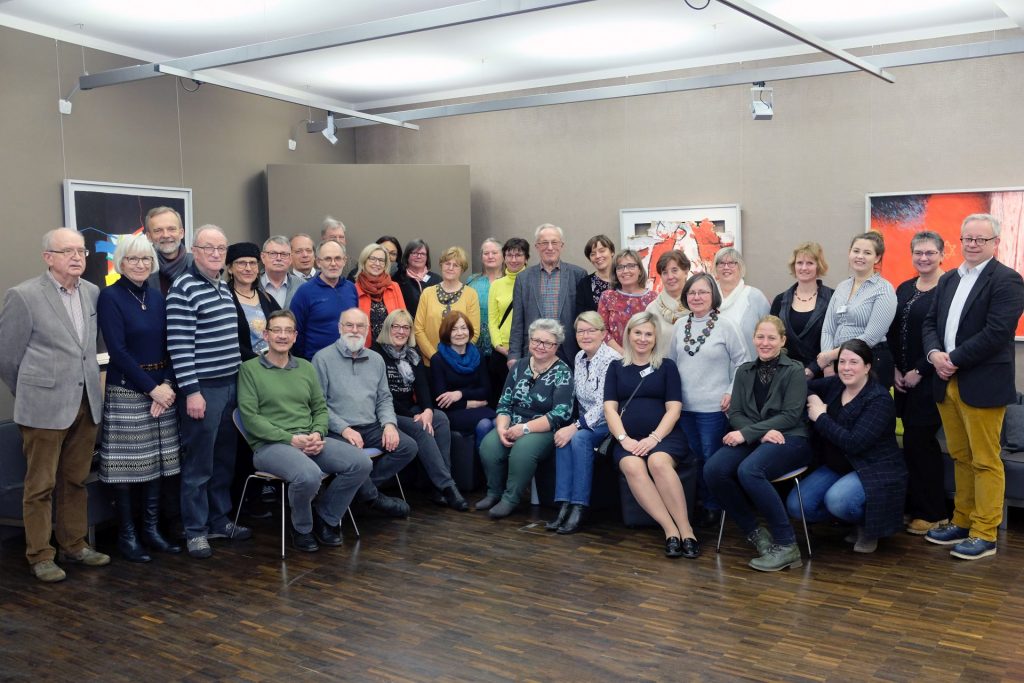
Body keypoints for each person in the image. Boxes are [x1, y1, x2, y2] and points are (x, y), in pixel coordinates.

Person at [0, 228, 110, 582]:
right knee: (41, 485)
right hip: (43, 407)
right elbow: (7, 357)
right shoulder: (24, 295)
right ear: (48, 257)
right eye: (67, 252)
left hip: (85, 402)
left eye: (81, 251)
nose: (77, 257)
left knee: (74, 480)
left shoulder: (92, 292)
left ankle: (74, 545)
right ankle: (40, 554)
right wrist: (31, 393)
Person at [922, 213, 1024, 560]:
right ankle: (962, 521)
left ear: (996, 242)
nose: (973, 245)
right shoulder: (949, 278)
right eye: (968, 239)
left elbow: (997, 332)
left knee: (985, 461)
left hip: (981, 384)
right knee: (959, 457)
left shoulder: (1008, 280)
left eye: (981, 239)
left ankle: (985, 532)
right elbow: (929, 323)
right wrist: (935, 354)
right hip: (945, 382)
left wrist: (954, 359)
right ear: (960, 241)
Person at [237, 310, 373, 552]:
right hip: (270, 445)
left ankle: (326, 517)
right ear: (266, 335)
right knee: (309, 475)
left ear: (295, 336)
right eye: (276, 330)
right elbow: (250, 418)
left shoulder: (306, 368)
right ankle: (301, 527)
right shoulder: (250, 369)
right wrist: (291, 440)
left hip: (310, 439)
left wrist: (318, 434)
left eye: (288, 331)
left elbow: (320, 408)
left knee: (360, 463)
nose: (282, 336)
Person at [166, 224, 249, 559]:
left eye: (221, 248)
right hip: (203, 391)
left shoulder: (223, 287)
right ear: (194, 251)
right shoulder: (183, 288)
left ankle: (218, 519)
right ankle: (195, 531)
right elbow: (179, 346)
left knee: (223, 460)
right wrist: (192, 391)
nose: (216, 253)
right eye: (209, 247)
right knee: (199, 465)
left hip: (231, 386)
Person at [97, 234, 181, 563]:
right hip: (129, 391)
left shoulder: (159, 296)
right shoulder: (110, 297)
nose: (140, 264)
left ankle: (151, 531)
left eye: (146, 259)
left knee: (158, 466)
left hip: (162, 390)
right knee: (130, 470)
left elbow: (173, 342)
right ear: (121, 262)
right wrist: (151, 388)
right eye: (133, 259)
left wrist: (168, 386)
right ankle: (127, 535)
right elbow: (117, 351)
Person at [704, 315, 811, 571]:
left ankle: (787, 545)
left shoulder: (794, 370)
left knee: (750, 470)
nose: (765, 342)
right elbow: (737, 412)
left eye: (771, 337)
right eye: (760, 337)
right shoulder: (744, 371)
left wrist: (749, 433)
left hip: (791, 438)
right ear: (753, 339)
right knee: (713, 470)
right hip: (757, 438)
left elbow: (791, 415)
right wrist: (757, 434)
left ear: (782, 340)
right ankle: (755, 533)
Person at [789, 339, 907, 554]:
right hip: (839, 466)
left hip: (872, 467)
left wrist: (821, 417)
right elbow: (801, 385)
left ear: (867, 367)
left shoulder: (878, 399)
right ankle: (848, 520)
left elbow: (854, 443)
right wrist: (813, 397)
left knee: (838, 500)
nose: (846, 368)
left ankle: (868, 527)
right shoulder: (835, 385)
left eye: (854, 362)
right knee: (798, 505)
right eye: (842, 362)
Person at [605, 312, 698, 559]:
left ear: (656, 339)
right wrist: (624, 439)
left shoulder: (666, 366)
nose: (643, 338)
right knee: (633, 467)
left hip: (664, 437)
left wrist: (654, 438)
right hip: (628, 439)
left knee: (658, 462)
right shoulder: (615, 367)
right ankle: (670, 530)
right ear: (629, 335)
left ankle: (686, 530)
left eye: (649, 334)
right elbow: (609, 409)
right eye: (638, 332)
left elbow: (674, 408)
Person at [313, 308, 416, 519]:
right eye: (349, 325)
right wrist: (344, 429)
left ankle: (358, 490)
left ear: (368, 330)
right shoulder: (322, 359)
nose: (354, 330)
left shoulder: (375, 359)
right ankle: (372, 497)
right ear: (339, 328)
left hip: (370, 426)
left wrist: (389, 424)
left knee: (408, 447)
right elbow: (318, 405)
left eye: (360, 326)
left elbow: (384, 398)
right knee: (359, 461)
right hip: (338, 432)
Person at [668, 273, 749, 528]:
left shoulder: (726, 325)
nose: (697, 297)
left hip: (714, 408)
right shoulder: (680, 325)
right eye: (692, 292)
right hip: (684, 408)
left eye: (703, 292)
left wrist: (731, 391)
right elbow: (671, 364)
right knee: (693, 458)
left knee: (710, 458)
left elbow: (743, 362)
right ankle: (701, 503)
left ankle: (715, 507)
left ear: (713, 295)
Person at [477, 318, 573, 519]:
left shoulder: (563, 372)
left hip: (544, 429)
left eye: (547, 343)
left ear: (556, 346)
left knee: (522, 450)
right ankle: (493, 492)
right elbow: (504, 402)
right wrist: (502, 428)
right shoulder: (519, 366)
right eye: (536, 340)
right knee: (489, 445)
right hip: (512, 423)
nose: (540, 346)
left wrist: (525, 429)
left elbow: (560, 414)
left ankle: (510, 499)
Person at [373, 310, 468, 510]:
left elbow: (422, 386)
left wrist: (427, 410)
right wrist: (415, 415)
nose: (400, 331)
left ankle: (439, 487)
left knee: (440, 418)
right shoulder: (376, 355)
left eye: (405, 327)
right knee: (420, 427)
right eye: (396, 327)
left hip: (410, 408)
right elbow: (382, 395)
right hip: (387, 412)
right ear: (387, 328)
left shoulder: (412, 354)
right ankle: (448, 487)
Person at [890, 231, 947, 535]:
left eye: (930, 252)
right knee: (910, 446)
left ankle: (935, 512)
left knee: (921, 443)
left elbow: (946, 337)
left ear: (942, 254)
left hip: (930, 380)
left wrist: (919, 370)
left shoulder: (949, 287)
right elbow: (892, 332)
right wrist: (897, 371)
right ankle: (913, 506)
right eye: (918, 253)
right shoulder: (903, 288)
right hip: (902, 381)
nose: (923, 258)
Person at [546, 311, 620, 534]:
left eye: (591, 330)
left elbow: (603, 404)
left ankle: (579, 507)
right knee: (562, 438)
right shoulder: (579, 357)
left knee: (577, 438)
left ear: (603, 333)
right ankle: (564, 505)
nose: (585, 335)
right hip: (587, 419)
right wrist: (569, 425)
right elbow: (578, 399)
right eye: (581, 331)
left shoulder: (612, 360)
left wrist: (575, 426)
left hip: (609, 420)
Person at [818, 232, 897, 389]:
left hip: (871, 362)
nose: (860, 256)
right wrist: (828, 366)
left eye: (867, 253)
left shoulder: (884, 289)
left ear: (877, 258)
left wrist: (831, 355)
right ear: (849, 253)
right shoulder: (842, 287)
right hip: (840, 365)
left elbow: (871, 337)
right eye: (856, 251)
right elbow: (828, 329)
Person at [509, 224, 587, 364]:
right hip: (535, 351)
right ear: (537, 246)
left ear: (561, 245)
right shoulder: (523, 278)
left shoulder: (578, 275)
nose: (550, 247)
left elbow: (584, 319)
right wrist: (513, 355)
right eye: (544, 243)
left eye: (554, 242)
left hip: (568, 351)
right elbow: (517, 322)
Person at [430, 311, 497, 460]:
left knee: (499, 423)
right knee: (485, 425)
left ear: (469, 331)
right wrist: (473, 403)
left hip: (475, 407)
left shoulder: (477, 354)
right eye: (454, 329)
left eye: (463, 328)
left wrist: (459, 394)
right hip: (452, 414)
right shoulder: (438, 360)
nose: (460, 333)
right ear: (446, 332)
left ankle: (495, 473)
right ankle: (482, 474)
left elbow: (486, 391)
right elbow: (442, 403)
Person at [770, 242, 834, 378]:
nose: (804, 268)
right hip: (786, 375)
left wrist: (813, 368)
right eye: (799, 263)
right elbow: (773, 339)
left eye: (810, 263)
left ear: (819, 266)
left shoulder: (833, 298)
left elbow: (838, 338)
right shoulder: (780, 301)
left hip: (823, 375)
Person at [289, 239, 358, 360]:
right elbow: (296, 332)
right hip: (315, 364)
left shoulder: (351, 288)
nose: (333, 263)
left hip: (349, 360)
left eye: (337, 258)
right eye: (327, 259)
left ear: (344, 261)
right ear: (318, 262)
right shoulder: (304, 292)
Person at [413, 246, 480, 366]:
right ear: (441, 265)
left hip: (460, 363)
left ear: (462, 269)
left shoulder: (471, 294)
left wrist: (456, 357)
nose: (450, 268)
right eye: (447, 263)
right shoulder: (427, 293)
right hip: (431, 362)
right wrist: (434, 356)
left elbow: (473, 332)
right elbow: (418, 329)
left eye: (456, 265)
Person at [487, 237, 529, 404]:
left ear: (526, 258)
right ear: (504, 257)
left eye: (518, 255)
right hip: (501, 351)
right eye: (509, 255)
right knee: (501, 398)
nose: (513, 259)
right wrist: (498, 345)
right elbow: (492, 319)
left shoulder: (531, 280)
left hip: (527, 349)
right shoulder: (497, 285)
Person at [597, 249, 657, 354]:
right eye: (620, 267)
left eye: (631, 266)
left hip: (646, 357)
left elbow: (656, 331)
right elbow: (602, 329)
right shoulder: (607, 297)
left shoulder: (652, 298)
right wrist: (622, 353)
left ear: (640, 270)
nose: (625, 271)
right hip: (615, 357)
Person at [228, 242, 280, 360]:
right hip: (244, 366)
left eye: (252, 263)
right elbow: (229, 340)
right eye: (242, 263)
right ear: (230, 268)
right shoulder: (225, 299)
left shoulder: (267, 298)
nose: (248, 268)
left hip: (273, 363)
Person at [713, 247, 769, 358]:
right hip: (715, 369)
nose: (726, 267)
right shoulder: (708, 297)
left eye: (731, 263)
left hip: (749, 368)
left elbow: (770, 333)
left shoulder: (755, 297)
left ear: (740, 267)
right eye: (721, 263)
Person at [354, 242, 406, 345]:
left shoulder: (394, 287)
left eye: (381, 260)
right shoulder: (354, 289)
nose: (377, 263)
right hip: (364, 350)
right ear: (364, 261)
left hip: (392, 348)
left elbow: (404, 320)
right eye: (372, 259)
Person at [465, 237, 504, 359]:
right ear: (482, 257)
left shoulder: (511, 281)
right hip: (474, 346)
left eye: (494, 253)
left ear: (503, 256)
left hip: (503, 346)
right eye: (486, 253)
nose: (490, 256)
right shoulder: (471, 281)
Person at [645, 250, 691, 349]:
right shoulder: (652, 310)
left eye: (675, 270)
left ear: (686, 272)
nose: (670, 277)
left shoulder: (698, 304)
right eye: (665, 272)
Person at [144, 206, 193, 295]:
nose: (166, 235)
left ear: (181, 233)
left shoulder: (198, 264)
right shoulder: (142, 268)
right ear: (149, 237)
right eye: (158, 230)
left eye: (171, 229)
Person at [394, 239, 441, 319]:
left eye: (422, 254)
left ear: (427, 257)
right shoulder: (397, 279)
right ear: (407, 255)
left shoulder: (437, 280)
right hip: (406, 327)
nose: (419, 256)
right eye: (414, 253)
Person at [575, 234, 615, 314]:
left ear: (612, 252)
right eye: (593, 254)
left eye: (602, 251)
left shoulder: (624, 278)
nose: (598, 256)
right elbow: (581, 316)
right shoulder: (584, 284)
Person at [260, 235, 303, 308]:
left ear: (290, 259)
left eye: (284, 254)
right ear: (263, 257)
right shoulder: (252, 285)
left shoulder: (301, 286)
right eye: (273, 254)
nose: (279, 258)